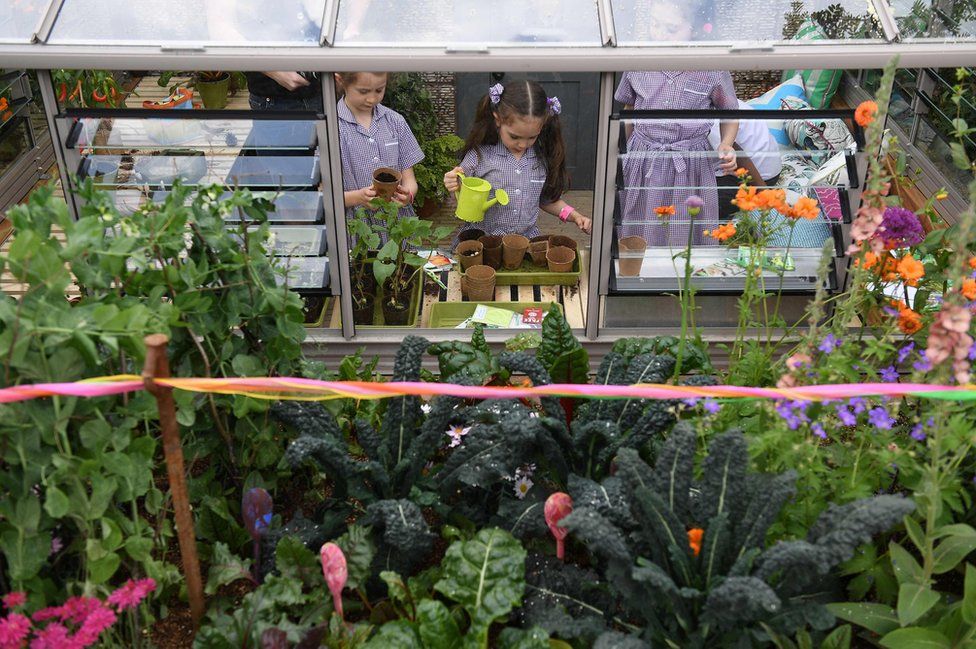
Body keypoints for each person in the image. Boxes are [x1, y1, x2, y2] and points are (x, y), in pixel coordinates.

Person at [614, 0, 737, 246]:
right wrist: (618, 151)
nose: (659, 34)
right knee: (640, 218)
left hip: (690, 164)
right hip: (644, 158)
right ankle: (636, 274)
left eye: (670, 29)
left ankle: (682, 277)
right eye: (654, 24)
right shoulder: (638, 60)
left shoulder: (711, 67)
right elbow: (629, 108)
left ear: (696, 28)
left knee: (685, 224)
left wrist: (727, 143)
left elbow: (730, 112)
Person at [443, 80, 592, 241]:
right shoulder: (479, 156)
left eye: (532, 137)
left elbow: (546, 200)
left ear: (542, 127)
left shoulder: (542, 159)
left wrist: (575, 216)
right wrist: (453, 182)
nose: (522, 144)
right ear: (498, 120)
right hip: (483, 243)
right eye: (514, 136)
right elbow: (460, 188)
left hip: (523, 245)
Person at [336, 72, 423, 242]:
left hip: (398, 226)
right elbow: (324, 195)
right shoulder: (332, 126)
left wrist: (408, 196)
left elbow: (410, 180)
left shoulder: (395, 121)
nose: (372, 99)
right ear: (341, 81)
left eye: (379, 90)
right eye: (363, 91)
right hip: (354, 229)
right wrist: (357, 197)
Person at [706, 99, 783, 220]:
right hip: (769, 165)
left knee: (697, 202)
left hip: (756, 177)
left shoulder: (707, 116)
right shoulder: (719, 96)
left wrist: (766, 197)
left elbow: (740, 156)